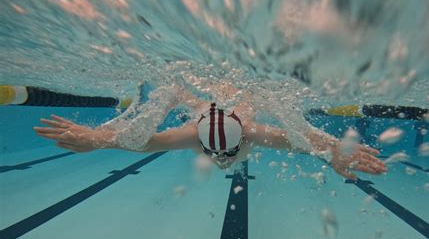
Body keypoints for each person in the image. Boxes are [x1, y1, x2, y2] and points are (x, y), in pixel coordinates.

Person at [33, 83, 387, 180]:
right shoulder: (207, 134)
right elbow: (146, 144)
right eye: (221, 155)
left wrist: (332, 151)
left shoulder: (246, 131)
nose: (219, 157)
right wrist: (95, 140)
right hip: (209, 103)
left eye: (222, 154)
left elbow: (299, 139)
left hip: (218, 98)